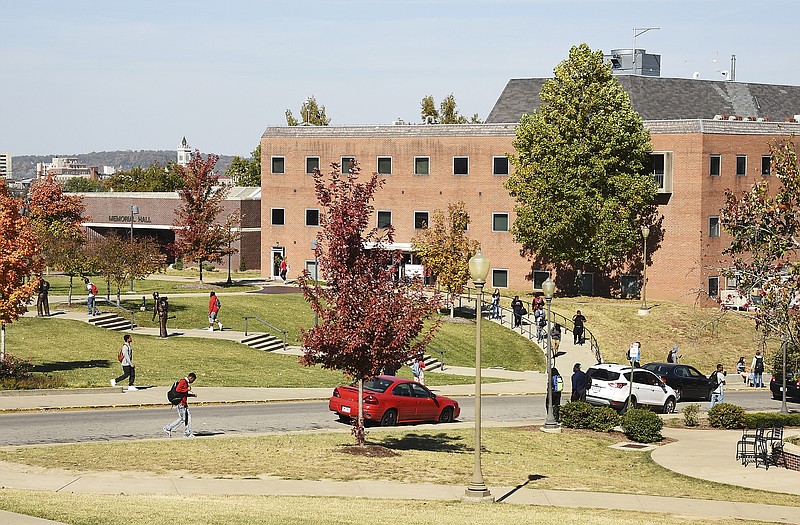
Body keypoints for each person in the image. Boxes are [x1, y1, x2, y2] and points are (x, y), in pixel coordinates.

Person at [164, 372, 197, 438]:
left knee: (188, 418)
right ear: (190, 378)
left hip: (184, 403)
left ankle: (187, 433)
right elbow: (178, 390)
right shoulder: (183, 381)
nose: (192, 382)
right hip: (181, 403)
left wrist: (191, 395)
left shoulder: (185, 383)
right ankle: (168, 428)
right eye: (193, 380)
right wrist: (187, 389)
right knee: (182, 419)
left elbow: (183, 394)